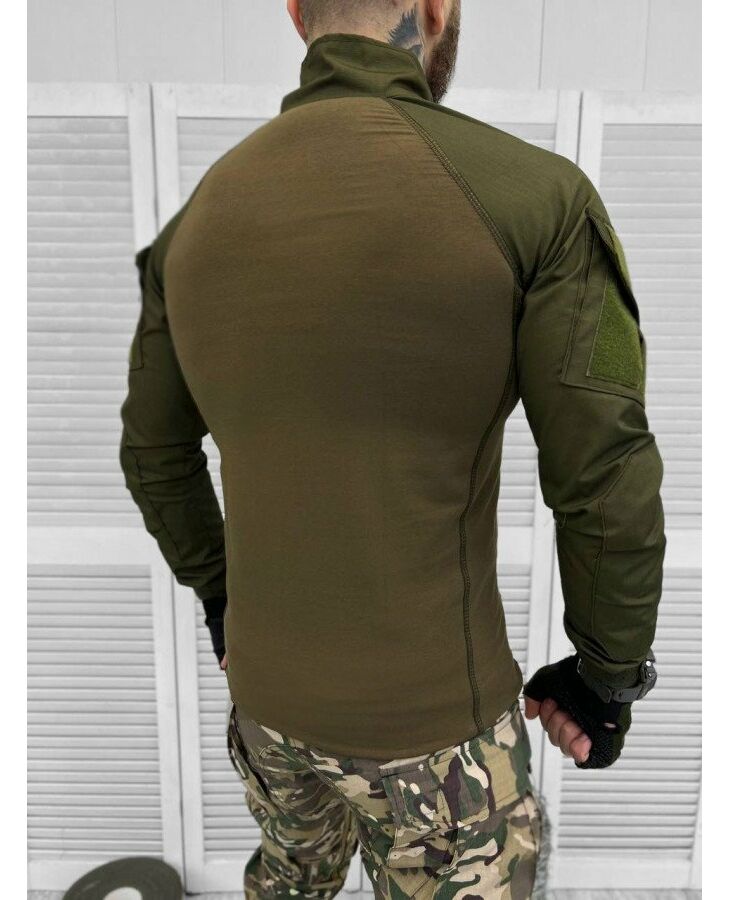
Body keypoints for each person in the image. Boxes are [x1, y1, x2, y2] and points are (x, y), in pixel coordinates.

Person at [119, 1, 666, 896]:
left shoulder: (192, 229)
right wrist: (605, 677)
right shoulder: (538, 201)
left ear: (297, 13)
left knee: (291, 880)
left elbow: (153, 456)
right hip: (439, 741)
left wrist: (224, 601)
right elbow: (606, 476)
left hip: (267, 710)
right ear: (434, 8)